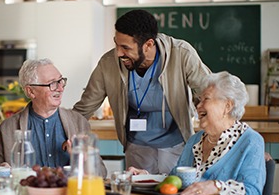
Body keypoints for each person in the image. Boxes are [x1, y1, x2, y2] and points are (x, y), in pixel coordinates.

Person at [73, 9, 211, 175]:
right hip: (137, 147)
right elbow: (84, 107)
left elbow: (210, 92)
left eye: (125, 47)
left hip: (176, 146)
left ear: (148, 45)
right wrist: (66, 132)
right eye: (116, 44)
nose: (118, 53)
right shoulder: (108, 63)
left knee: (173, 193)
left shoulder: (181, 53)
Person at [132, 71, 266, 195]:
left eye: (206, 99)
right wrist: (146, 177)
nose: (198, 106)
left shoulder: (251, 141)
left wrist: (216, 187)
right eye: (199, 100)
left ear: (227, 106)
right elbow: (176, 180)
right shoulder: (195, 140)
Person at [0, 58, 107, 178]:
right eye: (52, 84)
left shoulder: (78, 122)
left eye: (60, 81)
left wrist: (82, 158)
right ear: (31, 91)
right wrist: (2, 172)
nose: (60, 88)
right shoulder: (7, 129)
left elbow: (101, 174)